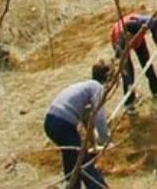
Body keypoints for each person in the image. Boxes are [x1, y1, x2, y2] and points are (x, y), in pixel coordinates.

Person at [44, 61, 111, 189]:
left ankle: (72, 185)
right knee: (83, 161)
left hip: (51, 122)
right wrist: (104, 139)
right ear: (107, 78)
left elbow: (87, 119)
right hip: (62, 123)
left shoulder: (85, 87)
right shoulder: (97, 88)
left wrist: (94, 143)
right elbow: (100, 117)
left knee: (71, 158)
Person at [110, 13, 157, 114]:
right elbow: (123, 66)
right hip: (123, 46)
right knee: (129, 73)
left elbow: (154, 21)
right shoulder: (120, 40)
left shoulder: (144, 22)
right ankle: (129, 103)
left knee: (147, 64)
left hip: (139, 42)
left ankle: (156, 90)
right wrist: (129, 82)